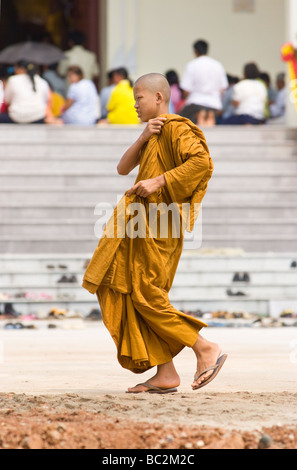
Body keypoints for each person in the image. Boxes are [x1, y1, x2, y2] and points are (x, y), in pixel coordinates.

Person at [83, 73, 227, 393]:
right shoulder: (153, 132)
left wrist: (159, 181)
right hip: (139, 224)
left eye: (139, 98)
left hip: (161, 226)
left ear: (159, 98)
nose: (135, 104)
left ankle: (204, 347)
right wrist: (142, 138)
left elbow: (201, 162)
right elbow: (122, 168)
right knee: (129, 291)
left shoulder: (176, 127)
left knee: (147, 294)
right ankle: (166, 373)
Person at [179, 39, 228, 125]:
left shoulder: (192, 65)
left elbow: (186, 89)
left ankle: (201, 115)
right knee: (210, 121)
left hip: (196, 102)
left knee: (179, 120)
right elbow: (223, 88)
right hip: (214, 103)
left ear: (195, 51)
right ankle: (209, 116)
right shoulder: (217, 65)